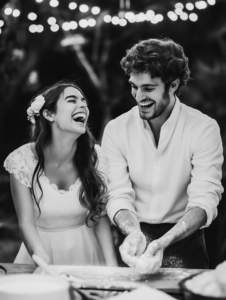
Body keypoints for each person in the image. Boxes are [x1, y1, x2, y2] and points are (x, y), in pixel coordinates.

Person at [101, 38, 224, 273]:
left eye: (148, 88)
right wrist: (134, 233)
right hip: (133, 237)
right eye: (134, 86)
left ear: (174, 85)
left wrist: (164, 241)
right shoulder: (116, 129)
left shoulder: (203, 128)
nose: (138, 97)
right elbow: (117, 193)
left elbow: (205, 197)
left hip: (185, 237)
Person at [4, 80, 117, 266]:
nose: (83, 105)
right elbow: (26, 223)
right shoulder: (22, 161)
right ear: (49, 114)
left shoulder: (96, 157)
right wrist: (39, 255)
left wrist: (112, 266)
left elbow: (99, 217)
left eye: (84, 102)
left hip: (88, 253)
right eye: (72, 100)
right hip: (40, 252)